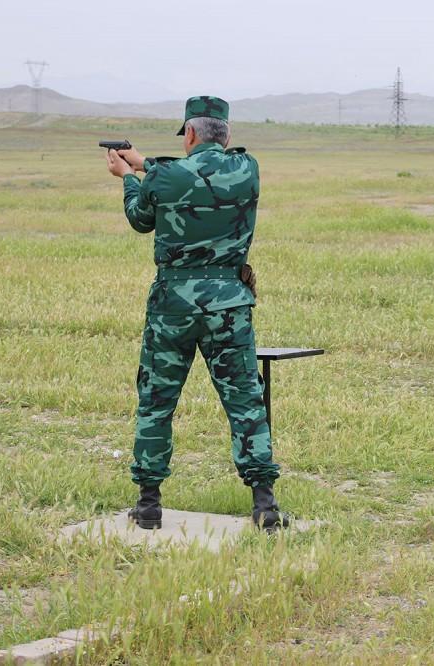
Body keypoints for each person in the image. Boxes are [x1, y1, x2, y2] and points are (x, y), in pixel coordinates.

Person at [104, 95, 289, 532]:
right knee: (244, 399)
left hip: (173, 307)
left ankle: (148, 503)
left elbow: (140, 217)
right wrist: (144, 162)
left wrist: (128, 176)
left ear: (188, 134)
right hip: (229, 304)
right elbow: (195, 173)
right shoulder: (248, 170)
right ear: (226, 134)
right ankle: (264, 502)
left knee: (157, 401)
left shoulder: (165, 177)